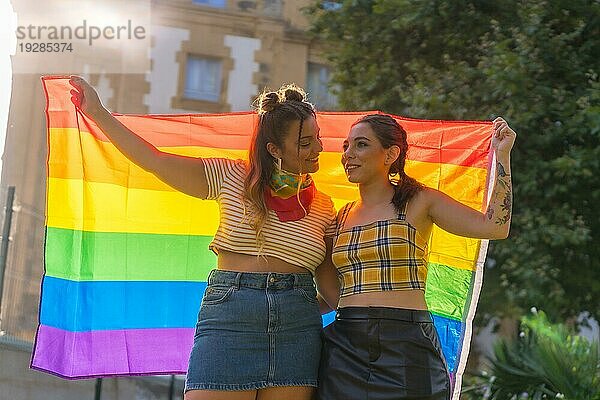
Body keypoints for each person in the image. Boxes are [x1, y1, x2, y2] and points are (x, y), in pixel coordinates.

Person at [69, 77, 336, 400]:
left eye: (317, 138)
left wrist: (309, 308)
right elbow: (154, 160)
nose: (319, 148)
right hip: (230, 317)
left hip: (296, 330)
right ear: (274, 149)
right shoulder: (230, 176)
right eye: (305, 142)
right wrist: (97, 112)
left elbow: (330, 291)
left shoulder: (323, 206)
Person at [317, 114, 516, 400]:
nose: (349, 154)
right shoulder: (339, 217)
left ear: (391, 154)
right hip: (346, 346)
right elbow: (326, 282)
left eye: (361, 145)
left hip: (407, 345)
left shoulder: (420, 201)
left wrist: (502, 156)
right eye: (346, 146)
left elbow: (495, 226)